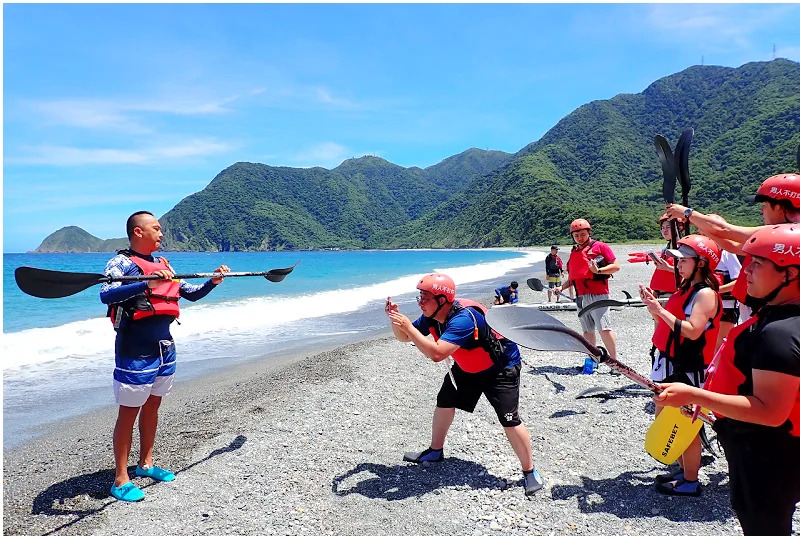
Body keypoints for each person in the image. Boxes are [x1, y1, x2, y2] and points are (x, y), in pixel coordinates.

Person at [654, 223, 800, 534]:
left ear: (791, 274)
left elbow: (770, 412)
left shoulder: (779, 334)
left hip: (766, 453)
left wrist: (695, 396)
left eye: (758, 263)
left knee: (764, 525)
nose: (746, 271)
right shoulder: (779, 317)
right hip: (767, 448)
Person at [100, 211, 230, 502]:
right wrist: (147, 284)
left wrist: (213, 281)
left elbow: (189, 293)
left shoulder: (162, 264)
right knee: (128, 413)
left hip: (165, 348)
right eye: (156, 229)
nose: (161, 234)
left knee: (153, 407)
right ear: (138, 232)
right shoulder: (120, 263)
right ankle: (120, 478)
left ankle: (145, 463)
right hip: (135, 350)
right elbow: (106, 295)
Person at [385, 274, 544, 496]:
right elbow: (404, 337)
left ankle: (529, 471)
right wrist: (396, 321)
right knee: (445, 401)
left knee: (509, 420)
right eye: (419, 297)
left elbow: (437, 353)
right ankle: (435, 450)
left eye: (425, 297)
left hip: (499, 369)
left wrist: (407, 327)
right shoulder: (432, 315)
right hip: (467, 366)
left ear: (442, 299)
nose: (420, 302)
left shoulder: (463, 319)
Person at [640, 235, 722, 497]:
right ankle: (682, 466)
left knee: (686, 423)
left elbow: (694, 331)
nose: (678, 265)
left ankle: (690, 480)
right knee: (665, 414)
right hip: (670, 361)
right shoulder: (686, 288)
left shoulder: (706, 294)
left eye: (684, 261)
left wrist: (659, 310)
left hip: (687, 366)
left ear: (700, 264)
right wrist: (653, 306)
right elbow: (670, 323)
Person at [664, 173, 800, 322]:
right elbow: (732, 245)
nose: (762, 210)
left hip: (780, 310)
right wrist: (700, 225)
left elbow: (725, 230)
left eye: (765, 206)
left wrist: (688, 213)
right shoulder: (782, 234)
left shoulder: (785, 233)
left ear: (779, 208)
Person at [555, 218, 621, 361]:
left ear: (589, 232)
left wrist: (598, 270)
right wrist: (562, 287)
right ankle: (592, 360)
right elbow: (574, 278)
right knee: (587, 330)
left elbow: (616, 266)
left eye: (583, 234)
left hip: (598, 295)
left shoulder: (600, 247)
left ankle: (615, 360)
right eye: (576, 235)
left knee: (604, 328)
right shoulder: (574, 252)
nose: (580, 238)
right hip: (581, 296)